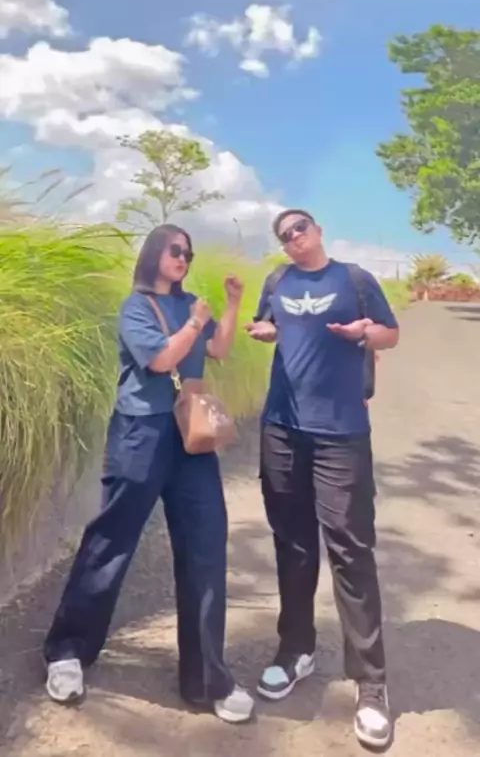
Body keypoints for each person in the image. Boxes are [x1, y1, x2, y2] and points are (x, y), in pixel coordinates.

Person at [44, 224, 255, 724]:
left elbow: (219, 350)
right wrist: (194, 323)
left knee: (206, 545)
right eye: (175, 250)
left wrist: (229, 305)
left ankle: (207, 679)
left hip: (191, 437)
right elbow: (161, 360)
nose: (184, 258)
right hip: (141, 433)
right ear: (155, 253)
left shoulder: (192, 305)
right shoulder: (136, 307)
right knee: (112, 539)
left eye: (189, 252)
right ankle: (67, 652)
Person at [245, 209, 399, 749]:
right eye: (284, 235)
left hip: (341, 433)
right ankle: (296, 650)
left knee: (351, 550)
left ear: (317, 231)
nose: (293, 238)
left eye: (300, 229)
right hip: (282, 430)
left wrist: (365, 332)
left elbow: (390, 335)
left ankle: (371, 683)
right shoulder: (277, 282)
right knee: (292, 545)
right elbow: (270, 327)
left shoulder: (354, 279)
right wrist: (265, 331)